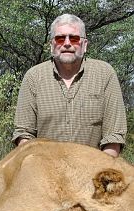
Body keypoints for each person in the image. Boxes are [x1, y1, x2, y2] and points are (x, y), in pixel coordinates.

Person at [12, 13, 127, 157]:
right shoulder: (33, 77)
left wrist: (98, 173)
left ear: (84, 45)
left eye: (74, 38)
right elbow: (24, 135)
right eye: (60, 38)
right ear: (52, 45)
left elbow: (114, 137)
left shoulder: (105, 74)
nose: (67, 43)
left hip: (93, 171)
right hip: (45, 171)